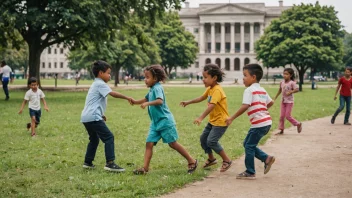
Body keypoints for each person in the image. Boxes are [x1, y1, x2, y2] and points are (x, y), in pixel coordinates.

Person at [131, 65, 198, 175]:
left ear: (155, 78)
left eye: (147, 77)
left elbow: (159, 101)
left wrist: (147, 104)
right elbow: (146, 98)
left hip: (165, 121)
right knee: (149, 143)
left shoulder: (157, 87)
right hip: (155, 123)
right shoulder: (152, 89)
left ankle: (192, 160)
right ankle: (145, 168)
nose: (145, 80)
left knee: (173, 144)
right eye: (144, 77)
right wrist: (135, 101)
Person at [81, 60, 133, 172]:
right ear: (100, 73)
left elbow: (93, 102)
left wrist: (101, 114)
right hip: (93, 116)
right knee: (109, 137)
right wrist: (127, 97)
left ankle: (88, 162)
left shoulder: (95, 84)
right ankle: (110, 163)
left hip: (87, 117)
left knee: (94, 139)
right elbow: (113, 93)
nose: (110, 75)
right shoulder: (100, 83)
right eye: (108, 73)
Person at [226, 64, 275, 180]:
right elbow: (271, 102)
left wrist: (231, 118)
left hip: (259, 124)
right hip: (266, 122)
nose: (243, 78)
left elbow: (245, 106)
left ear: (253, 77)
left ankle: (250, 171)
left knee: (249, 146)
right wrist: (262, 110)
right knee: (247, 144)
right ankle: (266, 158)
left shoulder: (249, 90)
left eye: (245, 75)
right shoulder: (262, 89)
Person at [180, 63, 232, 172]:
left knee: (211, 141)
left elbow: (212, 106)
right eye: (203, 77)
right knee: (203, 139)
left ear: (214, 78)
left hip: (221, 122)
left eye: (205, 77)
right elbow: (201, 98)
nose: (203, 80)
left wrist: (200, 117)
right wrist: (188, 102)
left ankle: (227, 160)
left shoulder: (217, 90)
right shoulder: (210, 88)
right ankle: (211, 158)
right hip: (213, 121)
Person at [273, 68, 302, 135]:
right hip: (283, 101)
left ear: (290, 75)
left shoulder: (292, 83)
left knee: (288, 116)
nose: (284, 75)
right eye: (284, 73)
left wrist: (291, 92)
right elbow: (280, 90)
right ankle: (281, 130)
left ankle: (298, 124)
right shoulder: (282, 82)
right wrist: (275, 98)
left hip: (289, 102)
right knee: (281, 116)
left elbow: (297, 89)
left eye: (286, 74)